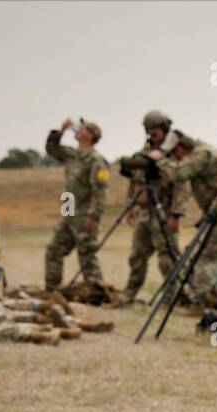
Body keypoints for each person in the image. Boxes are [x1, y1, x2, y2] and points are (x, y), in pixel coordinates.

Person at [156, 132, 217, 311]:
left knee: (205, 259)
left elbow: (178, 173)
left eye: (174, 154)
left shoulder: (202, 154)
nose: (175, 158)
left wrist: (160, 159)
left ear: (180, 148)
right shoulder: (203, 151)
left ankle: (199, 302)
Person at [117, 110, 188, 307]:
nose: (151, 132)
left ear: (164, 129)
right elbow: (135, 180)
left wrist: (176, 215)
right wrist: (130, 206)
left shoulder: (173, 154)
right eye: (148, 128)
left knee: (167, 258)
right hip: (144, 211)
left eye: (155, 128)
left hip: (164, 211)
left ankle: (173, 297)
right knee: (137, 256)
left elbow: (182, 185)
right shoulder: (144, 152)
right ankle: (129, 293)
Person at [44, 118, 109, 292]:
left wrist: (93, 216)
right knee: (54, 249)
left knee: (86, 254)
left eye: (83, 128)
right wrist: (61, 130)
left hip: (84, 212)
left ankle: (98, 292)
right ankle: (52, 290)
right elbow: (51, 149)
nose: (78, 130)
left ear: (90, 136)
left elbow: (100, 191)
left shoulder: (96, 160)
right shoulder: (72, 155)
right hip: (69, 208)